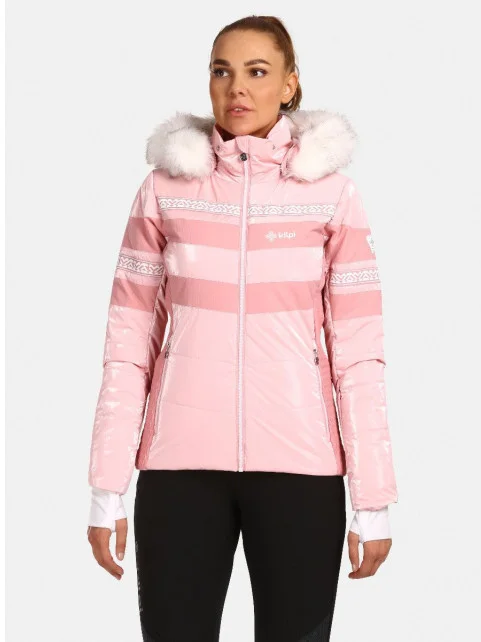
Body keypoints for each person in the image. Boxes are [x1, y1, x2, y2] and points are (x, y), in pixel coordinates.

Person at [86, 14, 398, 642]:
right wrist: (106, 488)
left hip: (301, 472)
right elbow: (128, 346)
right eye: (222, 71)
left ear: (289, 84)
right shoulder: (164, 191)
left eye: (258, 72)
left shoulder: (332, 196)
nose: (237, 88)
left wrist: (373, 499)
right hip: (178, 472)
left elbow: (358, 356)